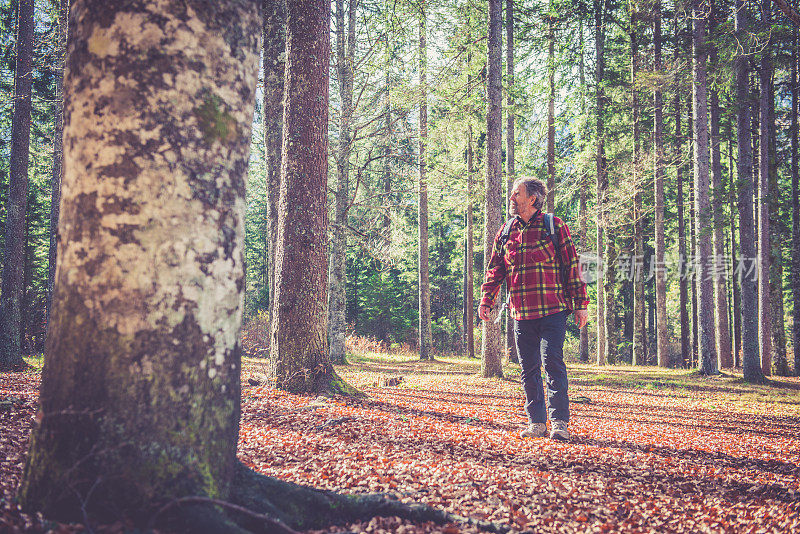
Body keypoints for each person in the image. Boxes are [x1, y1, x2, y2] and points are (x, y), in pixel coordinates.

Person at [478, 177, 588, 440]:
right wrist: (486, 299)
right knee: (528, 369)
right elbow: (496, 269)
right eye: (512, 193)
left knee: (553, 364)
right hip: (520, 313)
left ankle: (559, 422)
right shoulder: (506, 231)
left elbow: (572, 265)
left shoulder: (554, 225)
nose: (511, 197)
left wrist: (580, 305)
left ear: (533, 199)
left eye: (516, 193)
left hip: (553, 310)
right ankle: (537, 423)